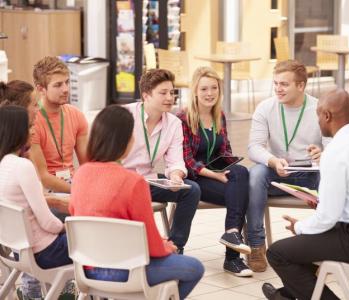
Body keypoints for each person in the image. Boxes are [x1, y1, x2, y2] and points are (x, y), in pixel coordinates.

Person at [261, 89, 349, 300]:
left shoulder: (335, 151)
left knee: (278, 253)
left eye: (317, 116)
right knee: (304, 245)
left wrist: (299, 227)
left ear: (327, 116)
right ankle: (286, 296)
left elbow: (327, 218)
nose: (318, 122)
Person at [69, 105, 204, 300]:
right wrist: (167, 246)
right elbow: (152, 245)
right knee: (194, 268)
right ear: (125, 142)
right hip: (127, 273)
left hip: (87, 271)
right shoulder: (134, 182)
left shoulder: (80, 174)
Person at [246, 60, 325, 272]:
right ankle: (255, 245)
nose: (278, 89)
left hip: (311, 171)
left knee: (331, 176)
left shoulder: (319, 108)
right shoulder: (266, 107)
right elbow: (254, 147)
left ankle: (323, 244)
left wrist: (323, 154)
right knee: (255, 174)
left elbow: (334, 145)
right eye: (276, 83)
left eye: (284, 84)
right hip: (277, 171)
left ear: (301, 86)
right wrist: (272, 160)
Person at [177, 66, 252, 277]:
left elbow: (225, 150)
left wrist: (232, 163)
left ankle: (232, 234)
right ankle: (233, 259)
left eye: (214, 88)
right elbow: (188, 161)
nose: (209, 93)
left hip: (218, 174)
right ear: (195, 91)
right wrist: (215, 175)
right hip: (196, 178)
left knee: (241, 173)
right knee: (240, 193)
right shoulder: (183, 118)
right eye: (204, 89)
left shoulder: (219, 115)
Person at [122, 69, 200, 254]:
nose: (169, 98)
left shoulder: (173, 123)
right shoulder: (125, 115)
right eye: (163, 93)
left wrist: (176, 176)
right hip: (122, 181)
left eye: (172, 93)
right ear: (146, 95)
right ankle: (135, 248)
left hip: (147, 180)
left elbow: (175, 161)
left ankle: (174, 247)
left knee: (191, 190)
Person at [0, 105, 73, 299]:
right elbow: (48, 223)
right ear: (16, 131)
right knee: (96, 239)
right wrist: (70, 227)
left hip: (16, 253)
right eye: (30, 126)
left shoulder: (4, 164)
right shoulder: (23, 167)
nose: (33, 131)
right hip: (46, 252)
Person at [30, 56, 88, 193]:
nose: (66, 89)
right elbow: (43, 177)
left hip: (73, 185)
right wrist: (81, 191)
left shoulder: (76, 115)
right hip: (46, 190)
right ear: (41, 89)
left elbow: (88, 165)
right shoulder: (32, 121)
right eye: (58, 85)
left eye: (67, 82)